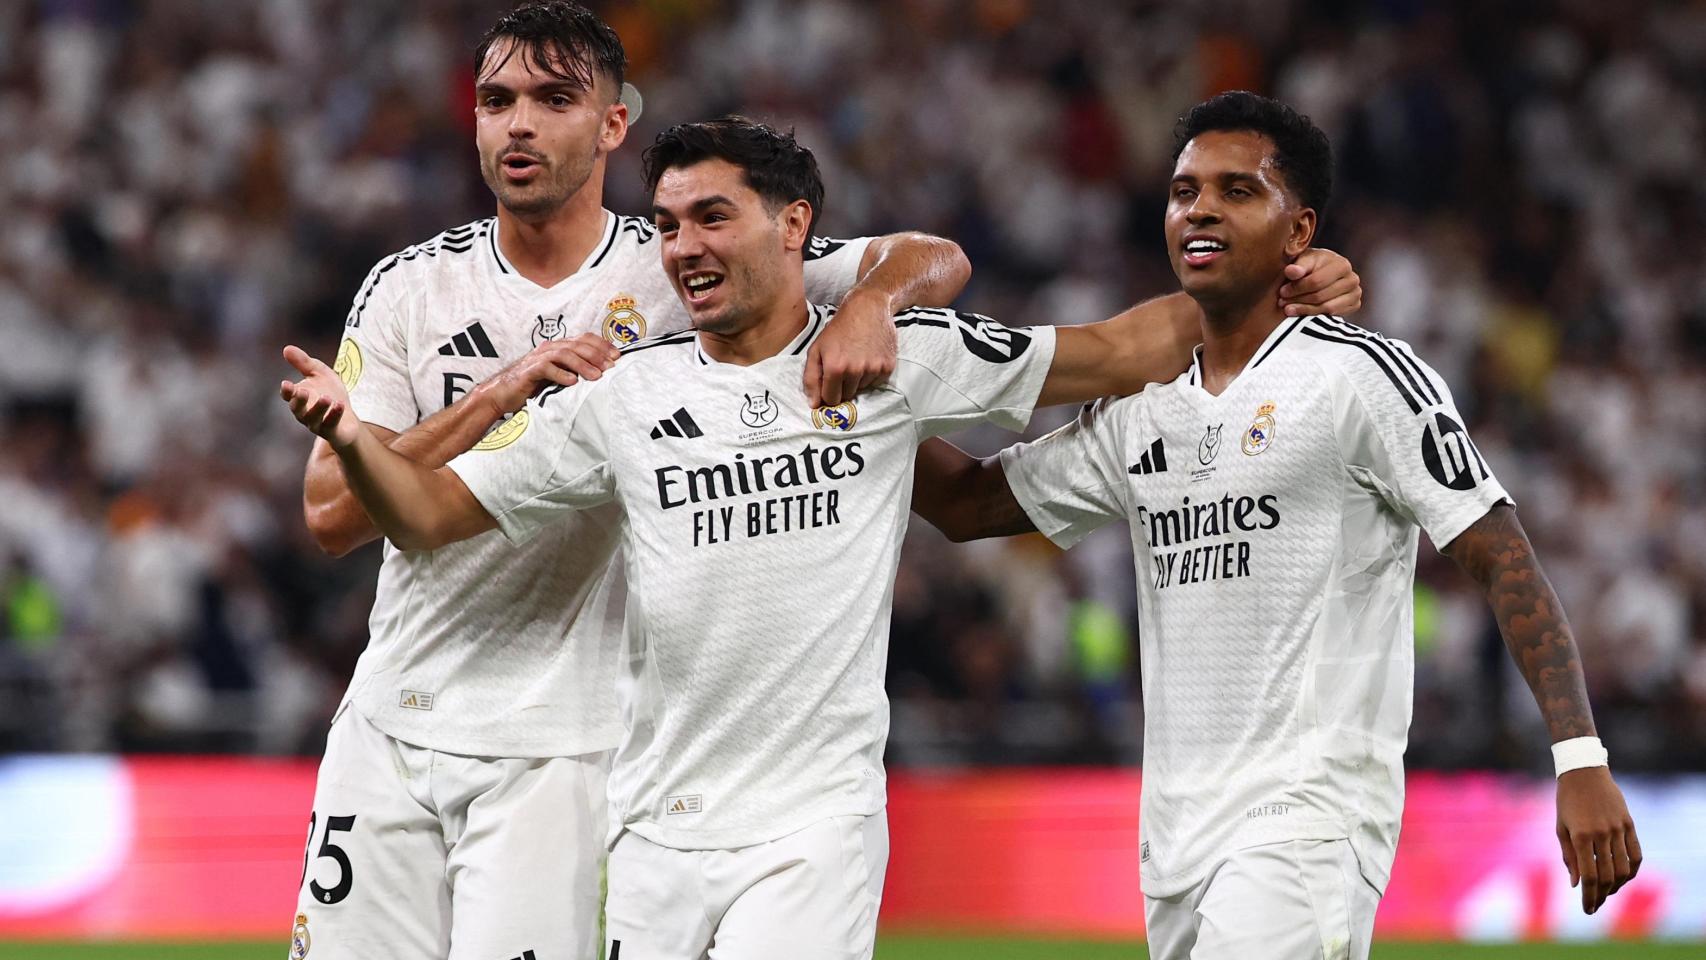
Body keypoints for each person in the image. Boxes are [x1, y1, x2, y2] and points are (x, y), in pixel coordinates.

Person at [278, 115, 1357, 960]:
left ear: (793, 228)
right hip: (652, 829)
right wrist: (353, 438)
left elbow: (1122, 351)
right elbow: (425, 519)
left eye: (711, 218)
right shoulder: (623, 398)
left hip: (811, 832)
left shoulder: (895, 359)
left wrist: (1276, 286)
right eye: (664, 225)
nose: (681, 249)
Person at [287, 4, 979, 959]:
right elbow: (331, 515)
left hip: (564, 745)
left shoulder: (682, 263)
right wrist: (504, 390)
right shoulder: (410, 285)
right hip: (389, 720)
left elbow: (935, 259)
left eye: (553, 99)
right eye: (497, 101)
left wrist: (868, 304)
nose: (518, 124)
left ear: (613, 125)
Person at [911, 91, 1642, 960]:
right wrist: (863, 407)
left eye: (1236, 190)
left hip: (1307, 822)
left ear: (1301, 232)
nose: (1201, 209)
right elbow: (965, 507)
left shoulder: (1361, 375)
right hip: (1175, 836)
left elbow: (1501, 557)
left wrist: (1580, 757)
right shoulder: (1145, 409)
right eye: (1184, 192)